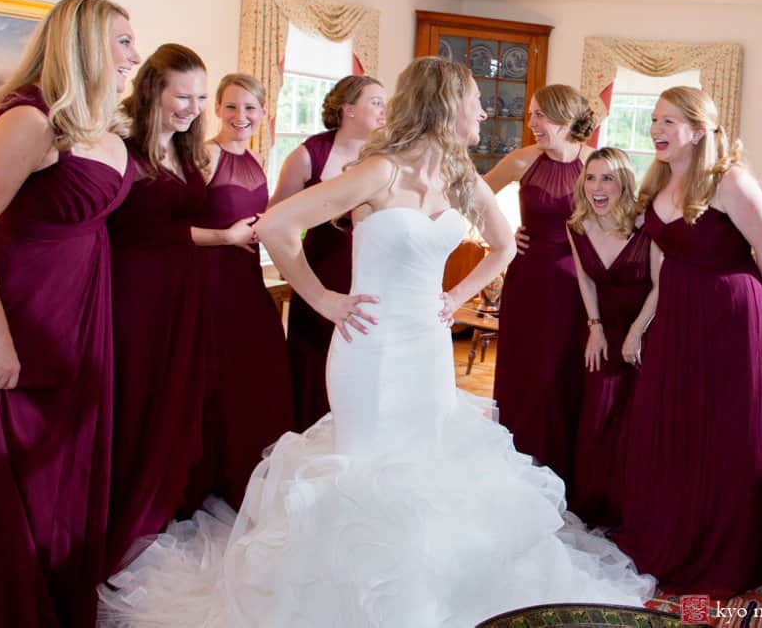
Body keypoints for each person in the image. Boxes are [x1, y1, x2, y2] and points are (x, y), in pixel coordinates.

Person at [98, 56, 656, 627]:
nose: (485, 111)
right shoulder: (380, 172)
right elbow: (277, 226)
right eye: (474, 101)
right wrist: (322, 299)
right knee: (365, 474)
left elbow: (503, 246)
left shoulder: (458, 176)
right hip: (370, 349)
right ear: (444, 105)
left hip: (428, 350)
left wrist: (454, 297)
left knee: (424, 471)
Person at [0, 0, 139, 627]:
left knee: (58, 472)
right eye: (123, 42)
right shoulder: (27, 121)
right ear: (83, 45)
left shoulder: (98, 124)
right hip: (12, 317)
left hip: (75, 316)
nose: (135, 55)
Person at [616, 86, 762, 598]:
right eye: (654, 121)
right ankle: (668, 539)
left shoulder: (729, 181)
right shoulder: (660, 179)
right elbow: (663, 261)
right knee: (668, 424)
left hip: (731, 315)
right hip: (679, 313)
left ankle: (719, 553)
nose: (657, 131)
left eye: (668, 122)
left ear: (698, 129)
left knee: (720, 434)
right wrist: (644, 323)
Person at [105, 45, 258, 573]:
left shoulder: (188, 149)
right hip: (137, 294)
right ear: (153, 90)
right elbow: (127, 229)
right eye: (182, 95)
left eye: (198, 96)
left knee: (177, 404)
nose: (193, 106)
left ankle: (165, 505)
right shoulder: (122, 146)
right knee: (141, 401)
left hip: (184, 292)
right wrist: (221, 235)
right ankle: (126, 517)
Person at [191, 73, 295, 508]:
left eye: (250, 108)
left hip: (246, 282)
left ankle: (246, 476)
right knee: (212, 382)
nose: (241, 116)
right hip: (207, 285)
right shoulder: (204, 157)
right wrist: (226, 238)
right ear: (216, 109)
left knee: (258, 376)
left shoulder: (255, 162)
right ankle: (207, 478)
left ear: (263, 113)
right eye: (231, 107)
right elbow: (173, 230)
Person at [484, 84, 595, 483]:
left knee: (563, 375)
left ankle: (563, 472)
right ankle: (518, 468)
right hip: (529, 279)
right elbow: (475, 195)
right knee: (524, 374)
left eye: (540, 116)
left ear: (565, 119)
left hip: (577, 286)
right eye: (531, 115)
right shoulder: (522, 161)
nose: (531, 124)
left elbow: (620, 222)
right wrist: (501, 235)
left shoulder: (595, 164)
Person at [270, 75, 385, 431]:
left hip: (371, 275)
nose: (385, 110)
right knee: (315, 363)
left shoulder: (384, 156)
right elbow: (275, 217)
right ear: (348, 109)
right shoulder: (309, 155)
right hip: (321, 271)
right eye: (376, 102)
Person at [565, 147, 652, 529]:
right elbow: (584, 277)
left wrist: (636, 332)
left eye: (607, 179)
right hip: (604, 330)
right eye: (590, 178)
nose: (597, 188)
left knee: (638, 422)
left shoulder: (647, 224)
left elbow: (662, 286)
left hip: (648, 330)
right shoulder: (577, 225)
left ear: (624, 183)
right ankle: (596, 509)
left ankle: (634, 509)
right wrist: (594, 326)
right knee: (598, 416)